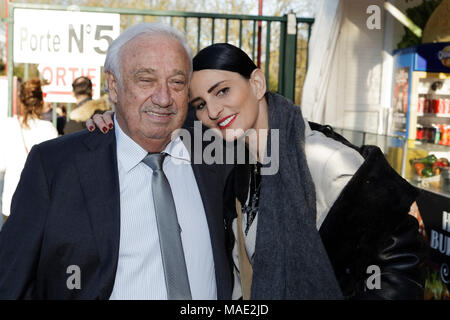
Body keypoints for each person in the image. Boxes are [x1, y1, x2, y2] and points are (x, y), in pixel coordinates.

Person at [90, 43, 428, 300]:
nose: (214, 111)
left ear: (256, 83)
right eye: (201, 104)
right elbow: (168, 120)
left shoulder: (321, 158)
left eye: (222, 91)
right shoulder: (240, 168)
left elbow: (399, 259)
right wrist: (115, 118)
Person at [0, 23, 232, 300]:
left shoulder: (219, 153)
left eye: (177, 82)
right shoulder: (55, 167)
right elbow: (11, 281)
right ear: (113, 85)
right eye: (146, 80)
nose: (163, 97)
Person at [0, 79, 58, 224]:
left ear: (20, 100)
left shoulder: (7, 125)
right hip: (40, 203)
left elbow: (1, 164)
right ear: (40, 101)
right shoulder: (49, 128)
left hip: (12, 200)